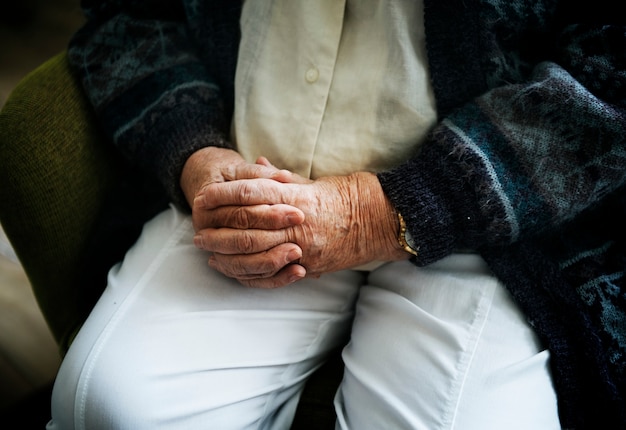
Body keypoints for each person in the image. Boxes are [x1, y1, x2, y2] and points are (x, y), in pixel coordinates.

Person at [47, 0, 625, 428]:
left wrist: (381, 211)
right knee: (111, 405)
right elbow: (125, 15)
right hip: (253, 174)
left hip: (491, 223)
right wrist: (192, 148)